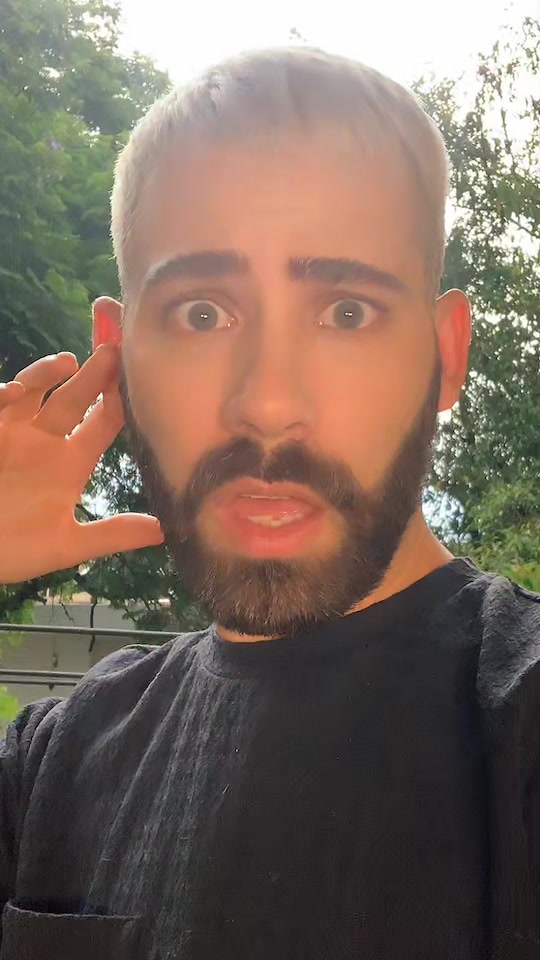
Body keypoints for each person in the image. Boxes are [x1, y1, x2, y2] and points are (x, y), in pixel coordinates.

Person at [0, 47, 537, 960]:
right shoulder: (56, 763)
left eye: (346, 312)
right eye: (202, 313)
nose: (267, 403)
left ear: (446, 353)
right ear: (120, 356)